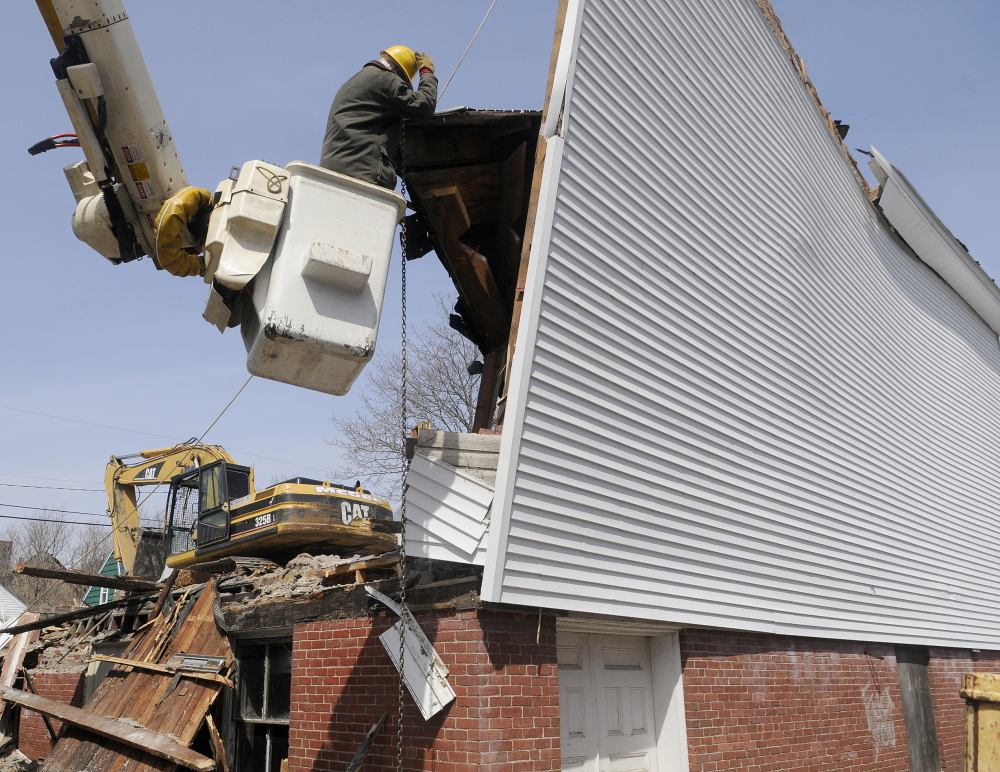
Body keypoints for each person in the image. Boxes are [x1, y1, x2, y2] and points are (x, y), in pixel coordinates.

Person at [319, 46, 437, 189]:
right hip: (363, 172)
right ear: (398, 73)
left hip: (332, 170)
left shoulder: (357, 81)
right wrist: (426, 72)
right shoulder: (385, 79)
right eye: (404, 85)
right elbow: (424, 106)